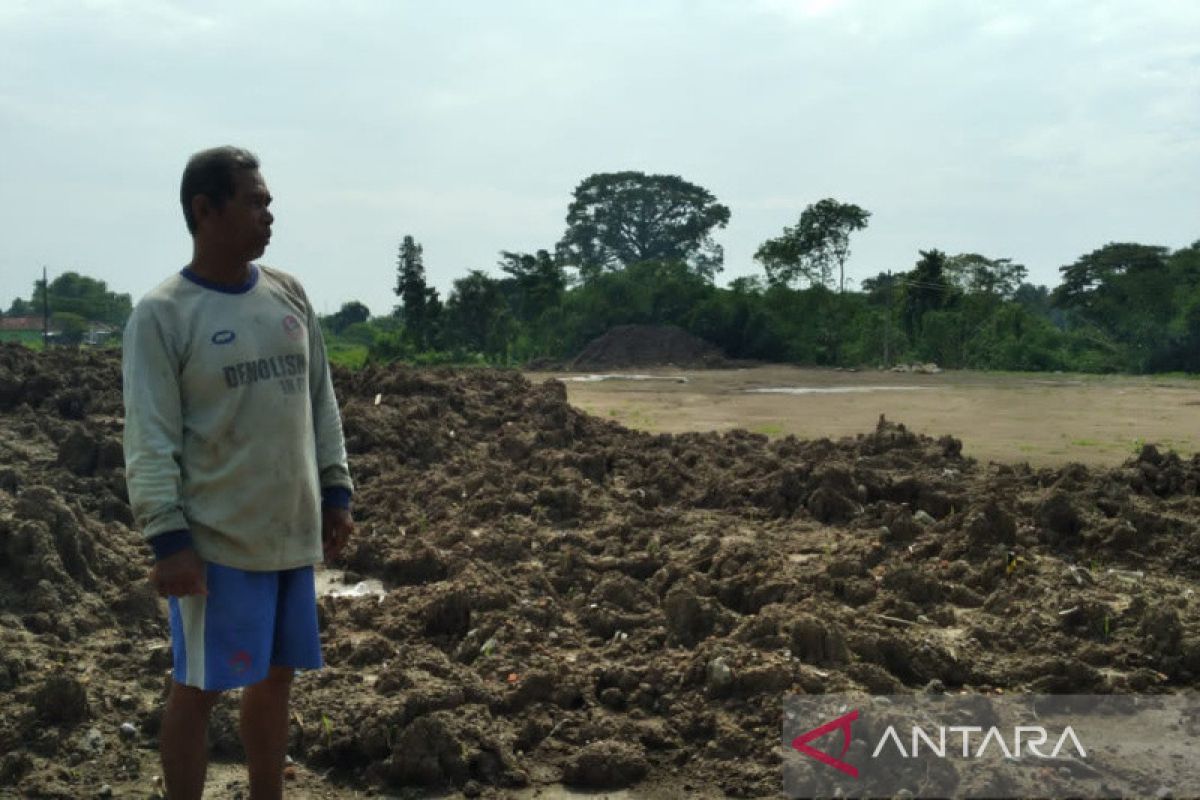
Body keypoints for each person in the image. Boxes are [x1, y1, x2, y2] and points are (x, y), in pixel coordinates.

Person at [122, 146, 354, 800]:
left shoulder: (288, 295)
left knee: (276, 676)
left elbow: (319, 399)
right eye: (254, 201)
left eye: (268, 201)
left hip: (287, 532)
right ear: (205, 210)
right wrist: (168, 540)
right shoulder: (164, 315)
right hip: (216, 541)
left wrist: (335, 491)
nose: (268, 213)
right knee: (198, 685)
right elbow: (148, 437)